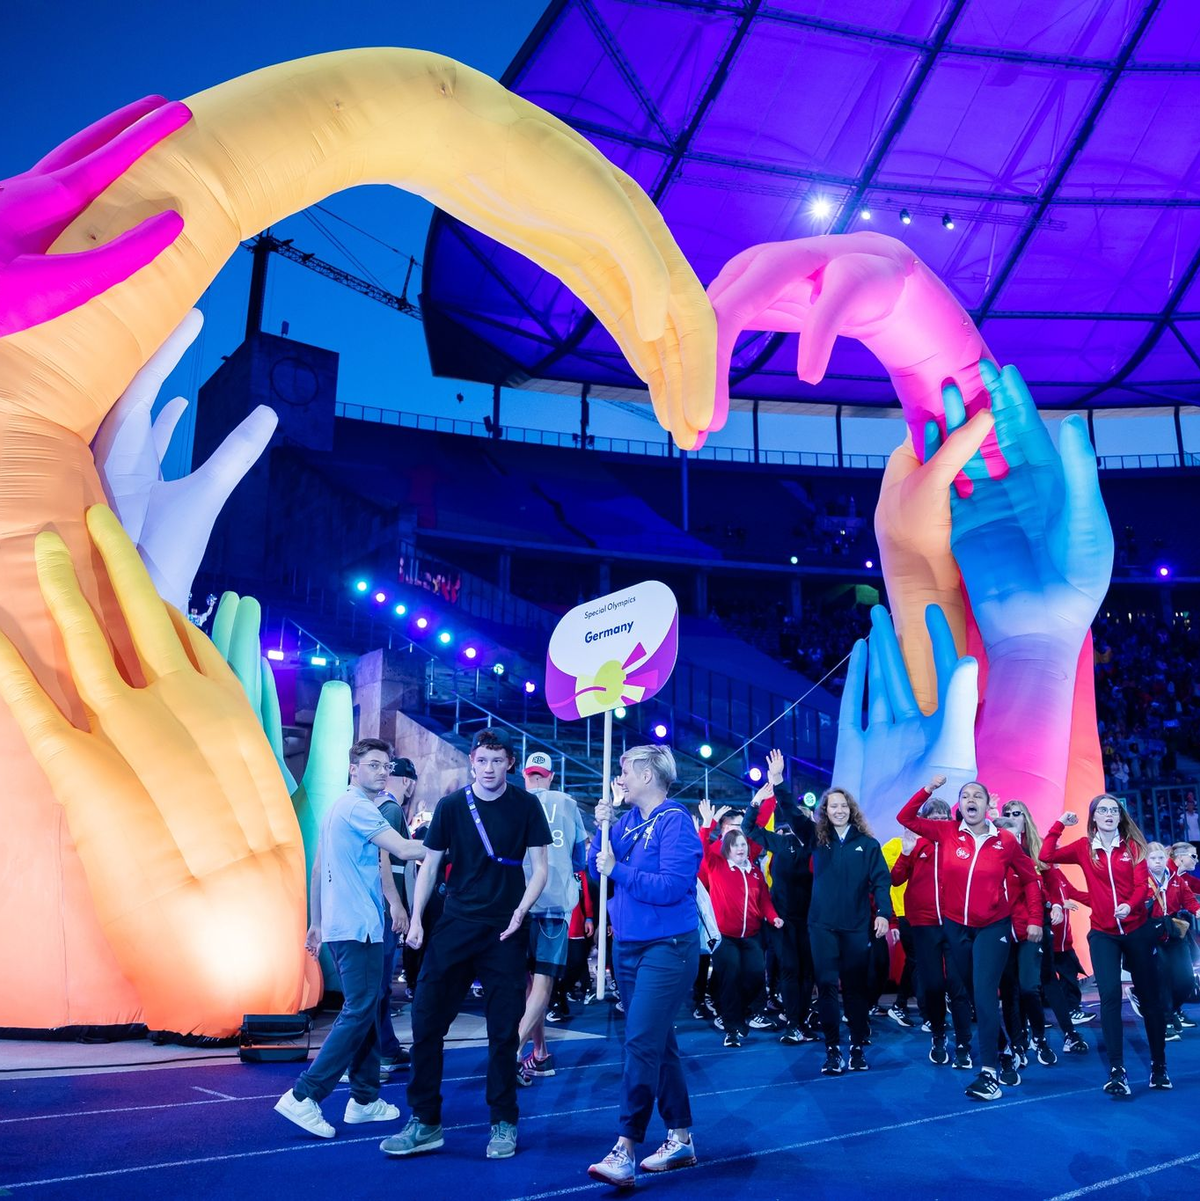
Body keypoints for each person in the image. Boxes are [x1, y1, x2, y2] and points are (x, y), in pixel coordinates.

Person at [382, 729, 550, 1161]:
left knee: (502, 1032)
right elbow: (431, 863)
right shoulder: (452, 806)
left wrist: (521, 911)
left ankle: (503, 1122)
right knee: (426, 1022)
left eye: (497, 761)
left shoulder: (527, 804)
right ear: (472, 763)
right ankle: (425, 1122)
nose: (489, 769)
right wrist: (417, 918)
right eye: (482, 761)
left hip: (505, 933)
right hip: (454, 926)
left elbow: (541, 869)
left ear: (509, 763)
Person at [275, 738, 427, 1140]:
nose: (382, 772)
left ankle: (363, 1099)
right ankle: (305, 1095)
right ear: (353, 769)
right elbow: (404, 849)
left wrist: (318, 923)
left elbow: (319, 867)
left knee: (367, 1007)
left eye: (386, 766)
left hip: (350, 926)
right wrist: (451, 842)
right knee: (360, 1010)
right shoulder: (359, 808)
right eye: (374, 765)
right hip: (358, 928)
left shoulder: (338, 808)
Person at [586, 745, 703, 1189]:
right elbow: (596, 867)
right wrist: (605, 825)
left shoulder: (675, 821)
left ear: (649, 775)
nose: (619, 777)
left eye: (624, 770)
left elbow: (673, 886)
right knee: (658, 1043)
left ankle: (625, 1147)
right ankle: (681, 1136)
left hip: (667, 947)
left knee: (639, 1042)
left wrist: (620, 869)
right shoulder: (630, 821)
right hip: (630, 948)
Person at [898, 777, 1041, 1102]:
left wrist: (1034, 919)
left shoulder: (1005, 841)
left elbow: (1031, 878)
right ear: (959, 805)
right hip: (954, 927)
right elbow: (905, 818)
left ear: (988, 804)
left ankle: (988, 1074)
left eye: (978, 795)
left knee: (986, 993)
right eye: (965, 795)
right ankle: (1004, 1051)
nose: (971, 799)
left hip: (993, 927)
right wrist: (928, 790)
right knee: (975, 995)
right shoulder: (946, 832)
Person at [1040, 796, 1168, 1097]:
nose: (1109, 814)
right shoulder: (1084, 848)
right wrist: (1060, 824)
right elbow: (1046, 854)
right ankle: (1116, 1071)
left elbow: (1140, 887)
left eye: (1114, 810)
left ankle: (1159, 1066)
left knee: (1150, 998)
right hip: (1103, 933)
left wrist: (1128, 905)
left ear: (1120, 816)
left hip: (1136, 929)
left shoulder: (1134, 847)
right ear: (1094, 817)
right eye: (1102, 810)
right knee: (1110, 996)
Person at [807, 784, 892, 1075]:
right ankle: (832, 1051)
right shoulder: (817, 840)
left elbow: (882, 880)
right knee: (827, 987)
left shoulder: (868, 844)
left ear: (851, 809)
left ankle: (856, 1048)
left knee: (856, 989)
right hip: (821, 927)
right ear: (825, 812)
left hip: (856, 928)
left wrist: (883, 913)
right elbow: (793, 817)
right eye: (833, 806)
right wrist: (779, 785)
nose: (839, 810)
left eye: (844, 805)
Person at [515, 751, 588, 1084]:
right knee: (541, 985)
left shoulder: (515, 801)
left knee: (531, 985)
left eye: (535, 775)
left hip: (520, 903)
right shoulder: (567, 802)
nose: (535, 780)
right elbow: (580, 858)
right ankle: (528, 1051)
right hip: (554, 903)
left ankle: (527, 1051)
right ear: (551, 776)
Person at [995, 802, 1083, 1065]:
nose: (1012, 818)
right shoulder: (995, 845)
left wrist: (1055, 904)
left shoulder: (1036, 846)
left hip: (1037, 923)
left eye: (1016, 814)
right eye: (1007, 814)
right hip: (1006, 928)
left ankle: (1064, 1034)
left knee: (1040, 982)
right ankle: (1022, 1042)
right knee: (1015, 987)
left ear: (1026, 816)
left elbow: (1051, 880)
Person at [889, 795, 974, 1067]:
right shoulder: (916, 844)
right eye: (932, 819)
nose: (938, 823)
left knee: (958, 986)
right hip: (924, 925)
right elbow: (895, 879)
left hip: (955, 922)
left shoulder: (959, 842)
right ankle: (938, 1035)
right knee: (934, 985)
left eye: (943, 818)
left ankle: (963, 1042)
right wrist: (905, 852)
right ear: (925, 821)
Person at [743, 749, 817, 1044]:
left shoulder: (815, 844)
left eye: (807, 817)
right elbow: (748, 828)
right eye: (799, 816)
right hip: (782, 920)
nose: (802, 819)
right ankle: (794, 1024)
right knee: (789, 970)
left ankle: (802, 1019)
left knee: (807, 972)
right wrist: (756, 802)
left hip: (811, 919)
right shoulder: (780, 841)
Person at [703, 829, 783, 1047]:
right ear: (727, 849)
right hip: (724, 937)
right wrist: (707, 826)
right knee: (730, 980)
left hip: (751, 936)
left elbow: (765, 900)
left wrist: (773, 917)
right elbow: (701, 850)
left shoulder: (755, 872)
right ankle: (731, 1029)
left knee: (755, 976)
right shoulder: (717, 866)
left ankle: (740, 1015)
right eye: (735, 845)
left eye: (743, 845)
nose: (740, 849)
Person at [374, 757, 419, 1075]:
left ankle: (385, 1046)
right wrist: (398, 905)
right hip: (384, 911)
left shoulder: (383, 808)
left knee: (380, 985)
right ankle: (379, 1049)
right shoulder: (390, 810)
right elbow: (386, 859)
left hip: (380, 909)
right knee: (378, 985)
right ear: (409, 782)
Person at [1146, 841, 1199, 1037]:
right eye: (1153, 858)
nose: (1158, 862)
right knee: (1163, 978)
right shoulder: (1142, 880)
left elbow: (1190, 900)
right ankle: (1165, 1019)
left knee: (1186, 980)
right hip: (1153, 933)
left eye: (1161, 858)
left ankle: (1172, 1010)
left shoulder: (1175, 878)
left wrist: (1198, 910)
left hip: (1175, 932)